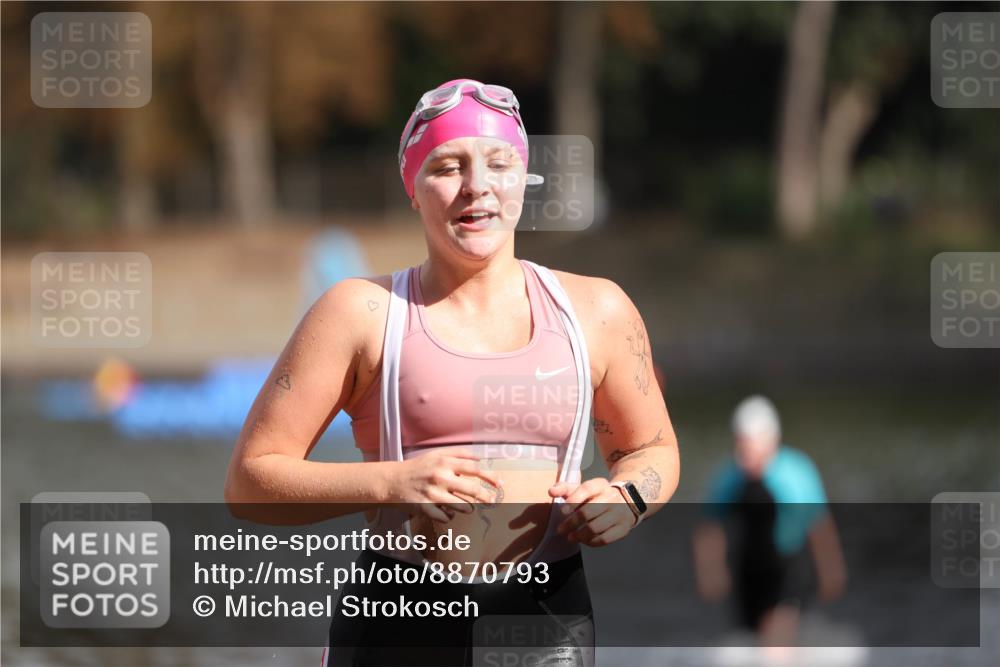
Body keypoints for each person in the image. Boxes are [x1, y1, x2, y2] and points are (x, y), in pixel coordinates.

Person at [224, 79, 680, 666]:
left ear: (523, 181)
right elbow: (249, 483)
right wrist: (392, 483)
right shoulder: (360, 313)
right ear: (413, 187)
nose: (477, 187)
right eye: (447, 166)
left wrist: (628, 497)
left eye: (498, 163)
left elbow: (653, 449)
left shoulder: (597, 311)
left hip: (545, 622)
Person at [693, 395, 847, 651]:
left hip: (788, 566)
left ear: (770, 442)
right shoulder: (729, 477)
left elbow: (819, 526)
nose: (745, 455)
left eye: (751, 446)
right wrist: (711, 571)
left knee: (776, 640)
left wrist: (830, 571)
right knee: (751, 636)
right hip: (749, 568)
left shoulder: (795, 474)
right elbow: (710, 527)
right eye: (741, 446)